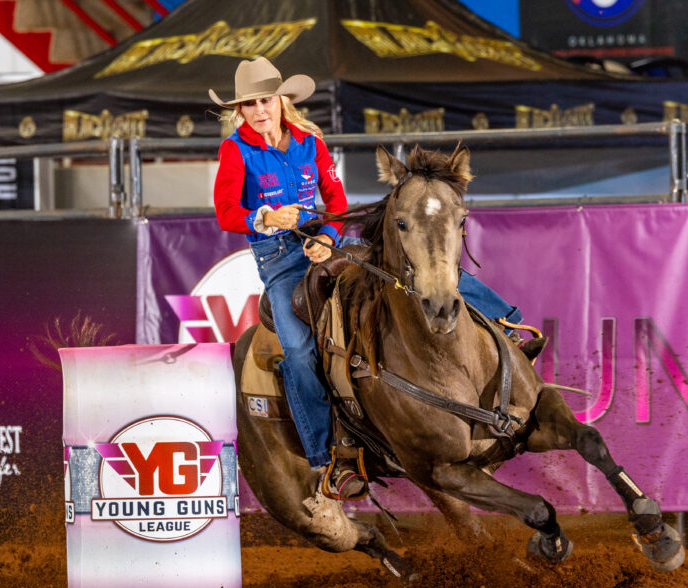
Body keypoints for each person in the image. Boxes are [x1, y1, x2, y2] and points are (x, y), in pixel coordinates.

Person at [211, 58, 539, 499]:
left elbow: (335, 197)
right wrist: (266, 215)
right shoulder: (235, 150)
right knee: (298, 348)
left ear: (281, 100)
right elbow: (226, 212)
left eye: (265, 100)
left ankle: (509, 327)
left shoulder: (310, 142)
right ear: (240, 110)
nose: (259, 110)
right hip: (280, 258)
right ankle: (327, 458)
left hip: (327, 242)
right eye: (249, 104)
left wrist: (327, 236)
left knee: (425, 273)